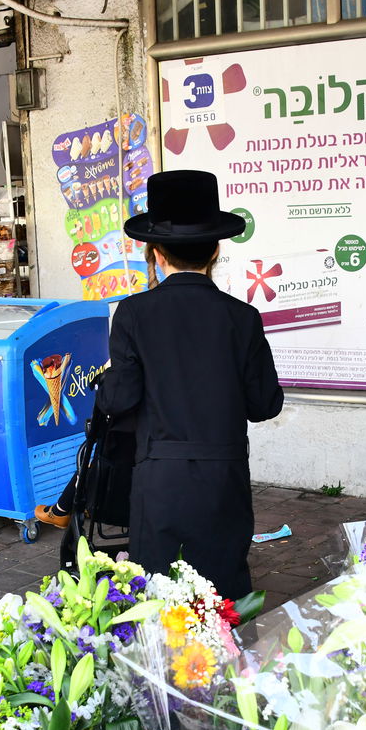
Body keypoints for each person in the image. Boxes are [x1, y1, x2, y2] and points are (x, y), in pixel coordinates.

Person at [96, 170, 283, 599]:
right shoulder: (242, 318)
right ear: (216, 249)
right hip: (224, 479)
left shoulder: (133, 313)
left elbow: (119, 398)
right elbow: (265, 404)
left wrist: (104, 381)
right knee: (226, 595)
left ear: (156, 253)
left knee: (161, 600)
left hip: (158, 480)